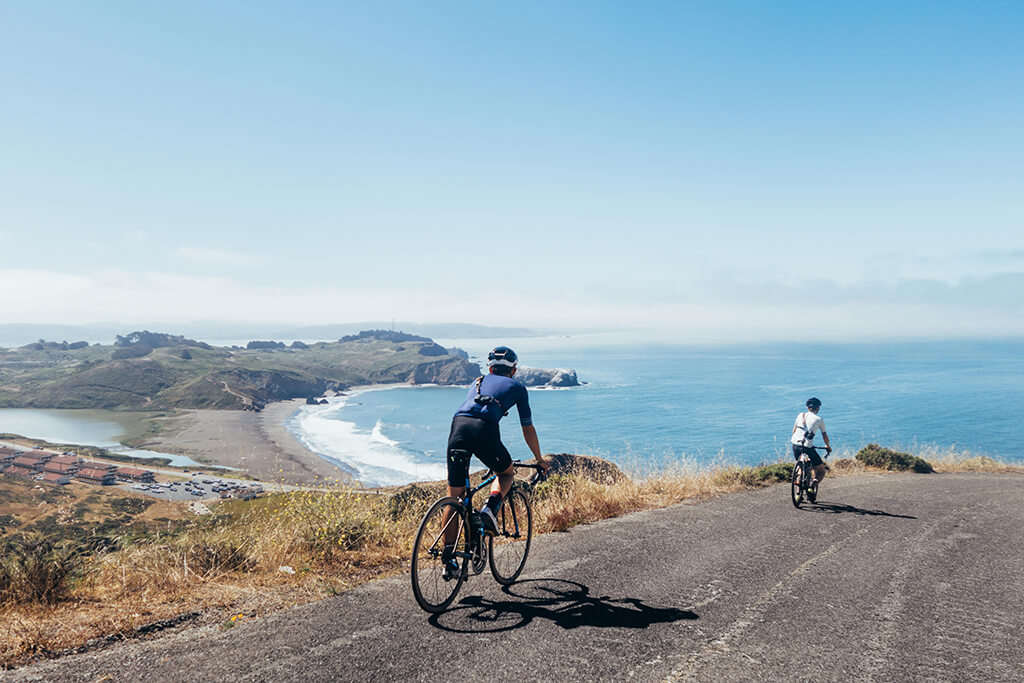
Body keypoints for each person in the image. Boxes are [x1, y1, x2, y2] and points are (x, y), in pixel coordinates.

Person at [442, 346, 550, 576]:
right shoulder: (518, 387)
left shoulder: (478, 381)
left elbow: (476, 408)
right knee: (506, 473)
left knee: (455, 496)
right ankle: (490, 510)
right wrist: (539, 459)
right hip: (484, 430)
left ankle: (448, 559)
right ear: (514, 371)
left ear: (490, 368)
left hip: (457, 427)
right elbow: (527, 428)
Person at [791, 397, 832, 487]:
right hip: (806, 447)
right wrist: (827, 446)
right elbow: (824, 435)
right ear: (818, 408)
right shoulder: (819, 419)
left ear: (808, 407)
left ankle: (798, 479)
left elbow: (794, 431)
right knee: (821, 470)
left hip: (795, 444)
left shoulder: (800, 415)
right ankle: (813, 484)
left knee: (801, 463)